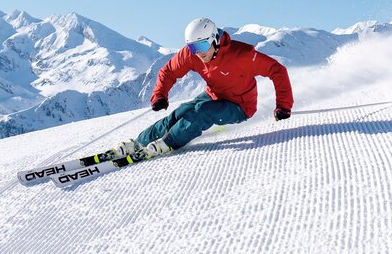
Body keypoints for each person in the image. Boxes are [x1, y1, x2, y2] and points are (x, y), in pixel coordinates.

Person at [115, 17, 294, 159]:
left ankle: (168, 143)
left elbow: (277, 70)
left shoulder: (241, 55)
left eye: (202, 45)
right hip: (213, 95)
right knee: (180, 112)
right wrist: (160, 95)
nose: (199, 53)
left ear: (214, 39)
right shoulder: (192, 55)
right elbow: (168, 71)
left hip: (240, 106)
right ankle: (139, 143)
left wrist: (283, 106)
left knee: (201, 112)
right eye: (193, 47)